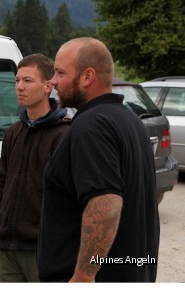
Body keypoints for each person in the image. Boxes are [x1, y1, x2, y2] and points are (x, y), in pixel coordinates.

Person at [38, 37, 160, 282]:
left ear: (87, 77)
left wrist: (83, 277)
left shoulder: (90, 126)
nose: (52, 82)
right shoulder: (130, 121)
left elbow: (106, 204)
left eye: (60, 72)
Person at [0, 53, 71, 282]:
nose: (19, 87)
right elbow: (2, 186)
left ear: (47, 86)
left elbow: (69, 198)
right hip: (8, 248)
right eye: (17, 81)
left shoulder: (64, 134)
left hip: (41, 250)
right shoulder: (13, 131)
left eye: (28, 81)